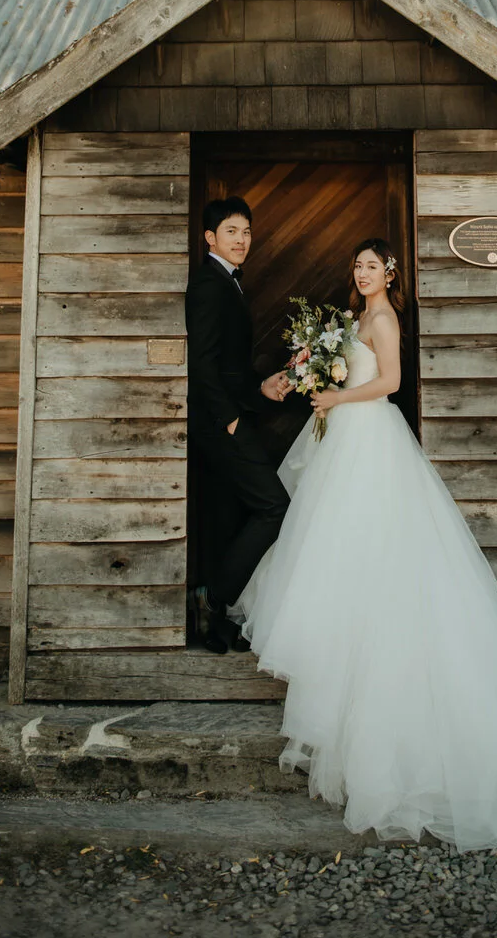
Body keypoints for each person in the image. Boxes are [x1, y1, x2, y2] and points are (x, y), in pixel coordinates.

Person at [232, 236, 497, 851]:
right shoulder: (352, 317)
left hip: (370, 434)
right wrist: (307, 377)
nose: (361, 273)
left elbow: (389, 382)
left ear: (390, 273)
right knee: (336, 543)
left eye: (371, 266)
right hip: (344, 436)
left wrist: (335, 394)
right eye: (355, 265)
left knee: (377, 542)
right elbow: (339, 366)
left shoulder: (384, 317)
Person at [185, 196, 292, 654]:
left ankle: (217, 622)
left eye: (246, 231)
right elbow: (203, 363)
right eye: (232, 231)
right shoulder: (209, 284)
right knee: (273, 505)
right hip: (219, 424)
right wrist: (229, 418)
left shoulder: (228, 282)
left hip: (231, 414)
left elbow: (230, 366)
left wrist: (261, 389)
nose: (242, 239)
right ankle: (215, 597)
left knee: (226, 516)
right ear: (211, 238)